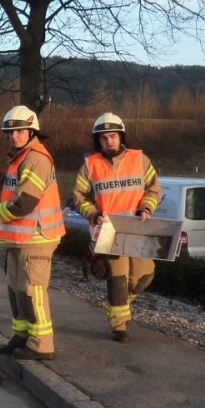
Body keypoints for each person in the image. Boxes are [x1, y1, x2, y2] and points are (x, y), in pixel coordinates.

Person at [72, 112, 161, 342]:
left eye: (112, 136)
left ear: (121, 137)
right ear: (97, 141)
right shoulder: (90, 165)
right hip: (109, 232)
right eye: (103, 138)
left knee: (144, 276)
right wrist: (92, 213)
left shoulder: (140, 159)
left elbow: (153, 189)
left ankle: (119, 302)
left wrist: (147, 208)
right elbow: (78, 197)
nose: (108, 141)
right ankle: (119, 326)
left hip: (137, 229)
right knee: (118, 279)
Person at [0, 105, 65, 361]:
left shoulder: (36, 158)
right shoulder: (19, 159)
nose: (14, 136)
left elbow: (24, 204)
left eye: (20, 131)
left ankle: (42, 345)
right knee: (16, 288)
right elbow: (12, 192)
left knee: (32, 290)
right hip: (20, 237)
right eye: (10, 132)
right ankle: (21, 335)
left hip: (38, 236)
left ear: (32, 132)